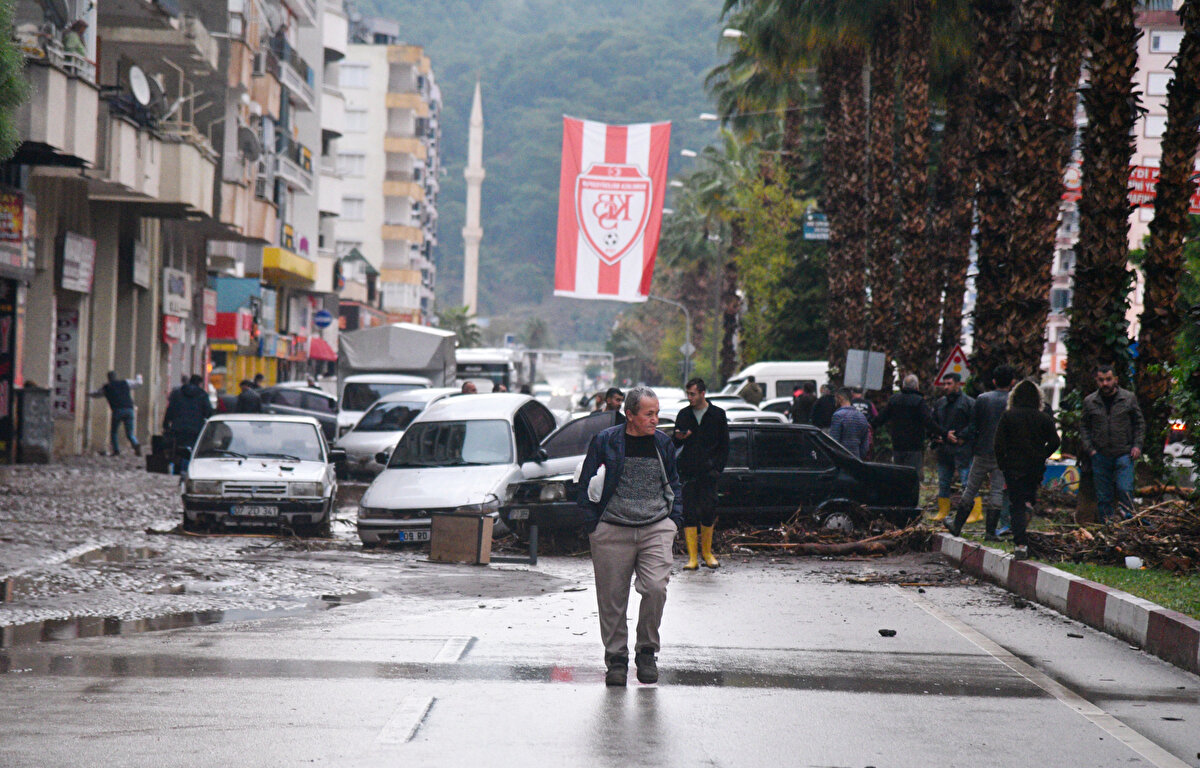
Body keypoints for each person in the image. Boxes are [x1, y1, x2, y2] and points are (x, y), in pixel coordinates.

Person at [577, 387, 682, 687]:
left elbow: (674, 482)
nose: (655, 420)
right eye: (649, 414)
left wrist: (674, 521)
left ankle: (646, 651)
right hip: (612, 528)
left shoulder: (662, 444)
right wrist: (593, 525)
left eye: (657, 413)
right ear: (630, 415)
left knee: (655, 588)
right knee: (612, 599)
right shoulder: (606, 441)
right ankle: (617, 659)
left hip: (656, 526)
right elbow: (585, 483)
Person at [946, 365, 1017, 538]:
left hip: (982, 451)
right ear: (1013, 382)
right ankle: (990, 531)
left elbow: (973, 426)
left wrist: (961, 437)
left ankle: (957, 525)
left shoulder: (983, 399)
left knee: (970, 488)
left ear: (994, 381)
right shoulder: (1013, 402)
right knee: (997, 490)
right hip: (1003, 455)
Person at [994, 379, 1060, 560]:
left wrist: (1003, 464)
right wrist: (1042, 455)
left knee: (1016, 504)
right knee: (1028, 497)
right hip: (1034, 467)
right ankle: (1029, 508)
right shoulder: (1043, 418)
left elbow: (998, 443)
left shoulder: (1008, 416)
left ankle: (1020, 544)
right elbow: (1055, 441)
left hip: (1013, 468)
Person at [672, 377, 729, 570]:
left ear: (703, 393)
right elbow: (675, 441)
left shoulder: (717, 415)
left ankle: (707, 553)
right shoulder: (684, 414)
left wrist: (717, 468)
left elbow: (725, 445)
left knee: (708, 510)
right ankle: (692, 558)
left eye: (693, 394)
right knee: (689, 512)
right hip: (688, 472)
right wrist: (680, 437)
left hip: (709, 472)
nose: (690, 398)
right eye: (687, 394)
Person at [1080, 364, 1145, 522]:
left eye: (1108, 379)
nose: (1105, 384)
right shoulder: (1090, 402)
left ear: (1115, 379)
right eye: (1101, 380)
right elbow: (1084, 427)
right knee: (1103, 495)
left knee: (1125, 489)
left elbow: (1139, 423)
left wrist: (1137, 445)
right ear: (1097, 381)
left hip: (1124, 452)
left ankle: (1127, 522)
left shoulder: (1128, 398)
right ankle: (1107, 527)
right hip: (1100, 454)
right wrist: (1090, 449)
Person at [871, 374, 951, 481]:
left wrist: (869, 426)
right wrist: (944, 433)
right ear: (917, 387)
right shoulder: (919, 401)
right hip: (914, 446)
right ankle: (910, 497)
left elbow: (880, 418)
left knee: (898, 476)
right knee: (913, 477)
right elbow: (928, 422)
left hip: (897, 445)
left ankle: (899, 496)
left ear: (903, 386)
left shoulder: (894, 400)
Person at [932, 373, 975, 521]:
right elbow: (933, 423)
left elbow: (975, 424)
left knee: (967, 483)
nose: (946, 387)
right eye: (944, 384)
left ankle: (974, 512)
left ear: (958, 384)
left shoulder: (969, 403)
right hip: (944, 449)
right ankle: (943, 511)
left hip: (963, 449)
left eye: (949, 384)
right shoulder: (940, 403)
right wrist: (938, 436)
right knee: (943, 482)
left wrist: (961, 437)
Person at [163, 374, 213, 468]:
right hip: (195, 428)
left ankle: (177, 467)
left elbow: (170, 410)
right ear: (199, 383)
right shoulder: (202, 394)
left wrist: (165, 424)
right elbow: (208, 412)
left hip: (178, 427)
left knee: (178, 448)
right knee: (192, 449)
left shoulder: (177, 393)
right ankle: (188, 469)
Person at [88, 371, 143, 456]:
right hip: (129, 409)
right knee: (130, 433)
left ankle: (116, 450)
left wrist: (87, 394)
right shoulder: (125, 382)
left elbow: (97, 394)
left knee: (114, 432)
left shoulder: (106, 387)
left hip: (117, 411)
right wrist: (139, 376)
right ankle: (135, 444)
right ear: (116, 376)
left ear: (108, 378)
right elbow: (139, 383)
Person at [830, 388, 871, 459]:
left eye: (835, 398)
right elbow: (865, 444)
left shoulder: (838, 415)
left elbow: (834, 441)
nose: (835, 400)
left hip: (842, 458)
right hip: (856, 458)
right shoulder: (861, 416)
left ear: (840, 398)